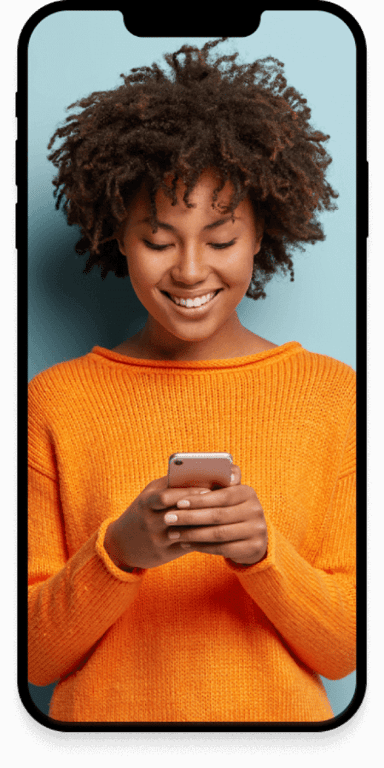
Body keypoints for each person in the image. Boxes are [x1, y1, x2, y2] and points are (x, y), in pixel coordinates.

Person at [28, 38, 356, 722]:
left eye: (221, 238)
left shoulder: (333, 396)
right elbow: (33, 658)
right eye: (157, 240)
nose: (187, 270)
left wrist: (265, 557)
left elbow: (343, 651)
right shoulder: (57, 401)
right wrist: (118, 553)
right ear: (117, 234)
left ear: (263, 231)